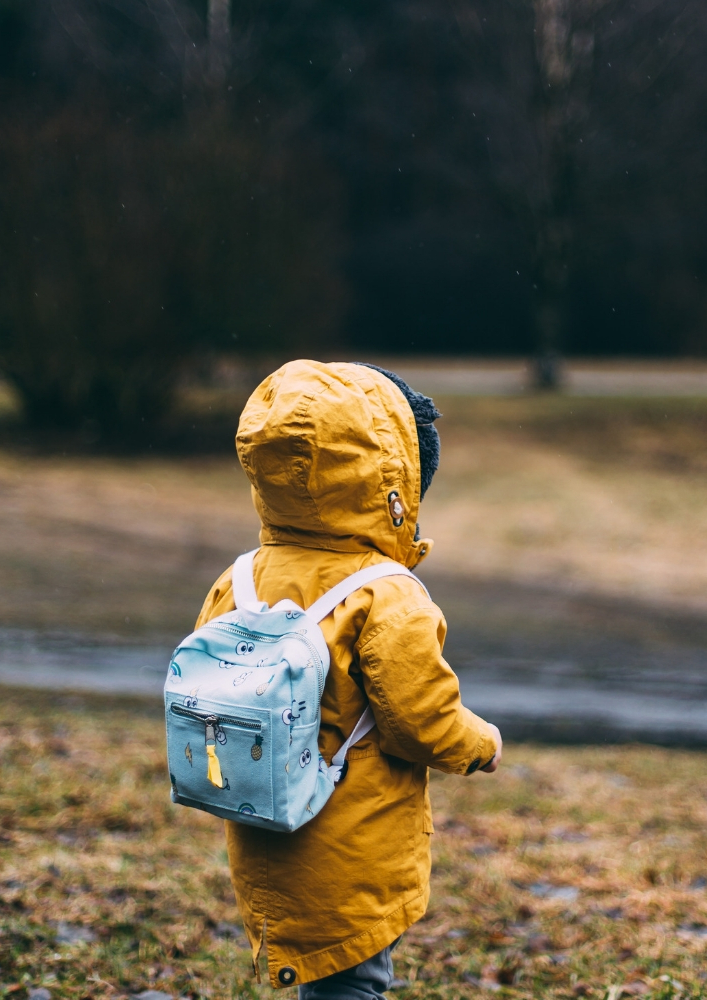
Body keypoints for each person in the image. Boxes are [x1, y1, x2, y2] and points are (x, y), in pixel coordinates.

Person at [195, 360, 503, 998]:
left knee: (328, 981)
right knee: (352, 983)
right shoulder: (386, 595)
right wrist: (482, 744)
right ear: (394, 483)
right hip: (352, 841)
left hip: (262, 824)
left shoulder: (241, 579)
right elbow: (422, 720)